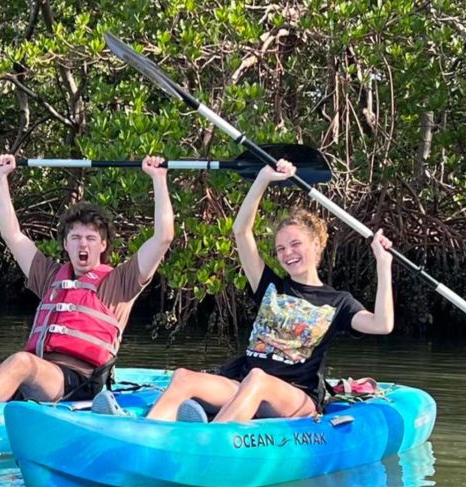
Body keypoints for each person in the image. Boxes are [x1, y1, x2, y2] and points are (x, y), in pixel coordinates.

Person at [0, 154, 174, 404]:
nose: (82, 245)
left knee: (20, 362)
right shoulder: (51, 275)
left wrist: (158, 179)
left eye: (90, 238)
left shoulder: (119, 282)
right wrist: (0, 178)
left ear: (103, 245)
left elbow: (163, 237)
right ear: (65, 244)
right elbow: (12, 236)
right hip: (34, 374)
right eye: (75, 238)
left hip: (75, 383)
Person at [140, 160, 394, 422]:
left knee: (258, 380)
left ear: (317, 245)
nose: (288, 253)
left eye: (296, 244)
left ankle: (209, 441)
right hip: (244, 385)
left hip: (297, 396)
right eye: (281, 248)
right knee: (183, 377)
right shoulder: (270, 285)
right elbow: (241, 231)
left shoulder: (338, 302)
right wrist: (263, 178)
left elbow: (382, 324)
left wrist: (383, 265)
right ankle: (146, 435)